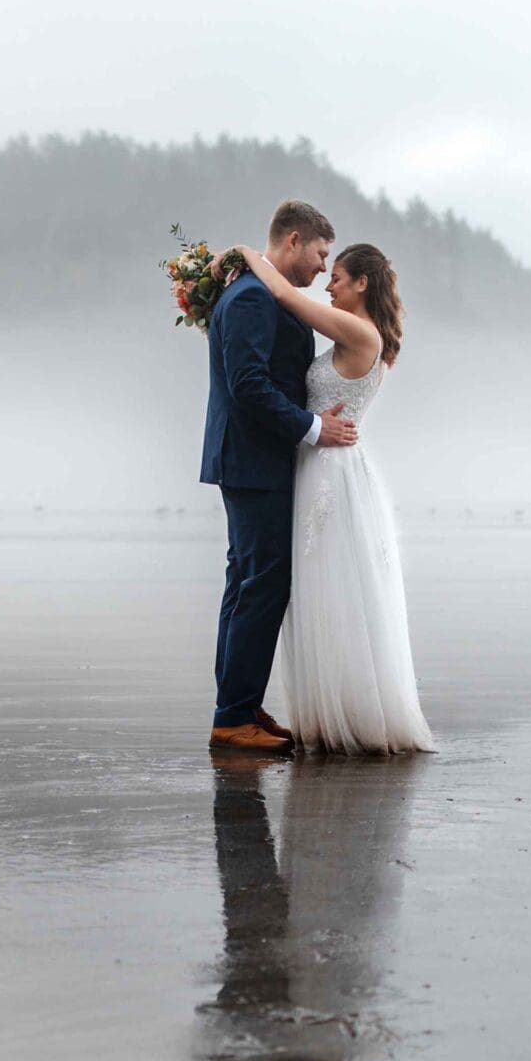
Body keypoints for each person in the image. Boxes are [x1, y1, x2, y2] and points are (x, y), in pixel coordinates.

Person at [224, 234, 436, 755]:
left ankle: (349, 715)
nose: (327, 283)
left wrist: (248, 256)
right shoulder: (356, 332)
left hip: (332, 471)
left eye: (336, 277)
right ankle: (320, 711)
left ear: (362, 283)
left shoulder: (360, 332)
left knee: (334, 591)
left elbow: (288, 298)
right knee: (320, 593)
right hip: (317, 464)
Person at [199, 200, 359, 753]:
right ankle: (233, 717)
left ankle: (239, 706)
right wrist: (314, 428)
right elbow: (248, 385)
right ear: (293, 241)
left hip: (253, 460)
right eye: (319, 254)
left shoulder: (260, 292)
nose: (321, 267)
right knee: (264, 585)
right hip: (252, 461)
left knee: (245, 581)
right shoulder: (249, 299)